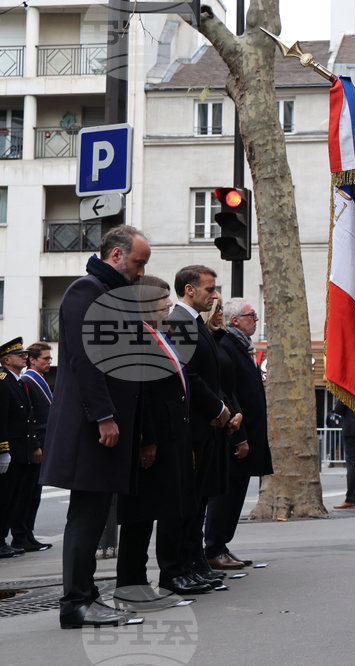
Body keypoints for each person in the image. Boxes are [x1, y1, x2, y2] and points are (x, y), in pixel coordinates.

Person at [39, 225, 149, 629]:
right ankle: (75, 604)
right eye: (138, 263)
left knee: (95, 511)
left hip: (105, 426)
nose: (141, 272)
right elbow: (89, 361)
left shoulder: (111, 295)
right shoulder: (86, 291)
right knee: (87, 516)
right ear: (117, 256)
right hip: (94, 427)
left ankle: (87, 595)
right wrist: (104, 416)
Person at [115, 276, 210, 599]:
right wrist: (147, 439)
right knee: (144, 514)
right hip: (156, 437)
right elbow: (142, 394)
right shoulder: (138, 337)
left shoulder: (160, 334)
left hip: (174, 432)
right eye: (161, 300)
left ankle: (174, 573)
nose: (168, 305)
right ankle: (135, 582)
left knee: (174, 505)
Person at [167, 266, 241, 593]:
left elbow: (210, 376)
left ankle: (194, 563)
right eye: (210, 289)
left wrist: (224, 410)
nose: (214, 296)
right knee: (186, 504)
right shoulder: (180, 322)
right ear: (189, 290)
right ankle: (179, 568)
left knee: (198, 503)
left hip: (207, 425)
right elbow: (188, 375)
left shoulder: (196, 323)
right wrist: (219, 409)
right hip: (195, 426)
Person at [205, 298, 273, 570]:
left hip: (249, 433)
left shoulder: (241, 346)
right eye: (251, 315)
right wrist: (240, 436)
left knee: (236, 495)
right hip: (236, 435)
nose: (256, 319)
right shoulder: (227, 346)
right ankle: (213, 547)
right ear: (235, 320)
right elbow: (230, 394)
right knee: (226, 495)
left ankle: (221, 545)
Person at [11, 342, 53, 552]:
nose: (49, 362)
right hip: (35, 443)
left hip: (43, 441)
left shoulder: (39, 380)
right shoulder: (28, 380)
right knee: (26, 492)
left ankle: (28, 533)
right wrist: (36, 444)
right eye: (45, 358)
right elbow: (29, 418)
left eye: (50, 358)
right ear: (33, 360)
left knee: (34, 492)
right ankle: (21, 535)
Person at [0, 338, 36, 558]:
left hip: (20, 451)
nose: (24, 356)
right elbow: (1, 419)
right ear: (6, 359)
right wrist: (3, 450)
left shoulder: (18, 381)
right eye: (19, 354)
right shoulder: (3, 381)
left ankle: (2, 540)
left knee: (12, 499)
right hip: (10, 450)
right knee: (4, 498)